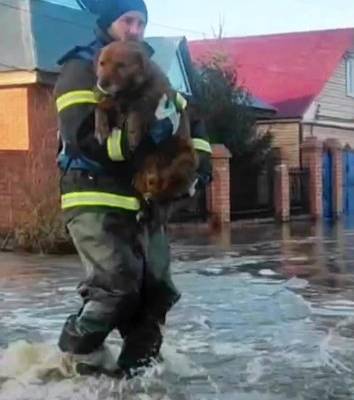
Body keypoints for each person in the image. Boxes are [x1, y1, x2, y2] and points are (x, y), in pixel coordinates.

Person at [54, 0, 212, 378]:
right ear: (109, 23)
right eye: (128, 20)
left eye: (142, 22)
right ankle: (72, 362)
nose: (136, 29)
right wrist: (137, 141)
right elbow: (82, 138)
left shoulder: (153, 70)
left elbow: (191, 119)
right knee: (116, 288)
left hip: (145, 201)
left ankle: (135, 377)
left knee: (158, 292)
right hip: (94, 196)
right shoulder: (81, 68)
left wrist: (197, 168)